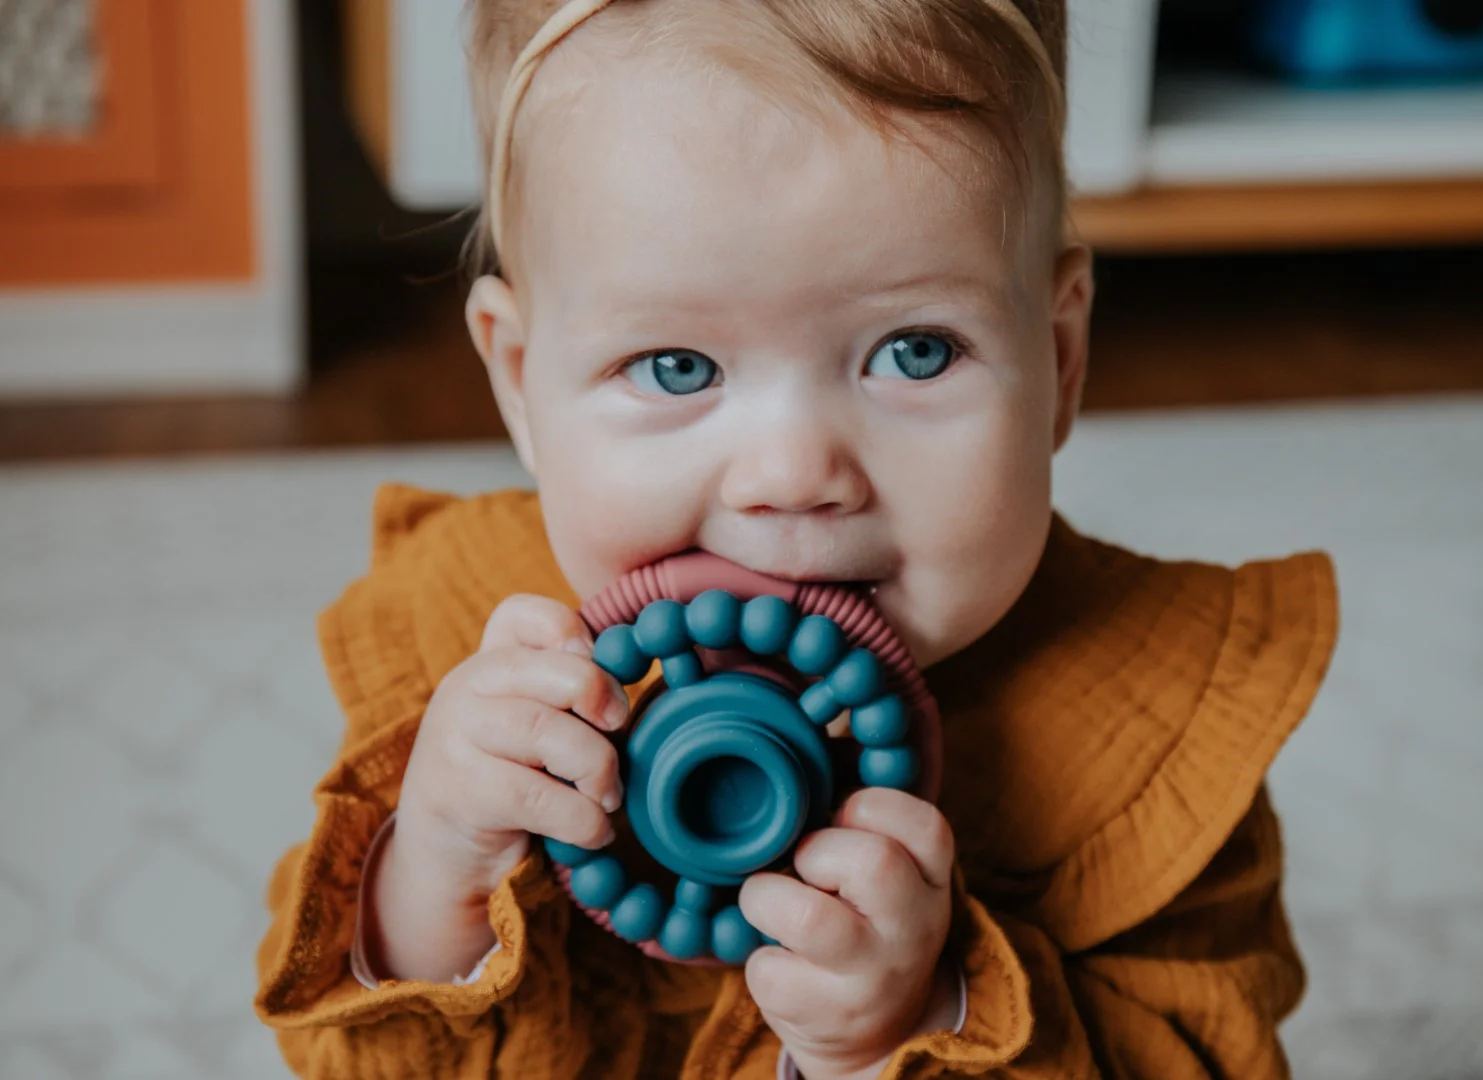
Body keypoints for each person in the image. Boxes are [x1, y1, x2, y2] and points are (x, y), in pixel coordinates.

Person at [255, 0, 1339, 1076]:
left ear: (1058, 361)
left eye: (914, 352)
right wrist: (431, 877)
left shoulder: (1157, 733)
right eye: (678, 366)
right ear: (521, 384)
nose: (792, 477)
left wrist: (908, 1026)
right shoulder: (465, 660)